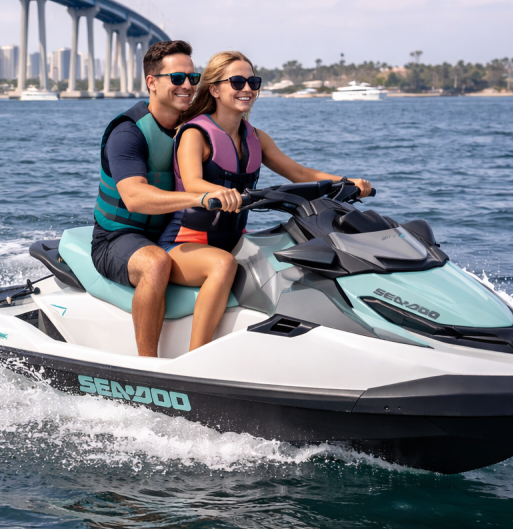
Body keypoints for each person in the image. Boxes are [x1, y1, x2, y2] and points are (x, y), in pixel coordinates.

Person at [158, 50, 373, 351]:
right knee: (222, 265)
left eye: (252, 81)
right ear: (215, 89)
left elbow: (298, 172)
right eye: (237, 82)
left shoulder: (256, 138)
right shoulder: (195, 133)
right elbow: (192, 182)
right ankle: (196, 358)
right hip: (183, 243)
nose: (247, 89)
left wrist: (346, 183)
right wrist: (217, 193)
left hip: (234, 239)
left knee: (302, 259)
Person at [91, 40, 219, 357]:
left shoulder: (195, 128)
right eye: (177, 78)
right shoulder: (128, 133)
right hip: (117, 238)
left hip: (169, 234)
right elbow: (134, 197)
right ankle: (148, 366)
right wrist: (200, 197)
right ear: (152, 82)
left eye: (193, 77)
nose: (188, 85)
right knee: (156, 264)